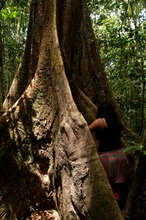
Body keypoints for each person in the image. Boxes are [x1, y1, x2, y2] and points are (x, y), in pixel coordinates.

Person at [89, 103, 130, 209]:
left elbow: (85, 130)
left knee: (108, 188)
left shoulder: (100, 121)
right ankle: (121, 210)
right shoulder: (117, 122)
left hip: (106, 158)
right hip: (121, 156)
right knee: (120, 187)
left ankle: (112, 210)